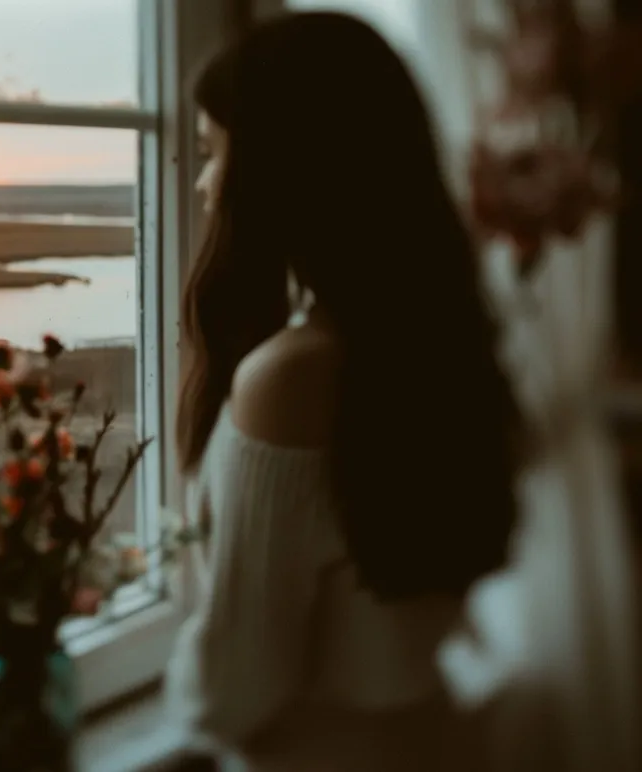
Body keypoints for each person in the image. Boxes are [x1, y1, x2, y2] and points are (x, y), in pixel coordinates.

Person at [165, 11, 520, 772]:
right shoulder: (431, 339)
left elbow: (237, 687)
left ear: (280, 169)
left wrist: (188, 694)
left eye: (213, 153)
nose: (201, 183)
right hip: (432, 740)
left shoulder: (290, 377)